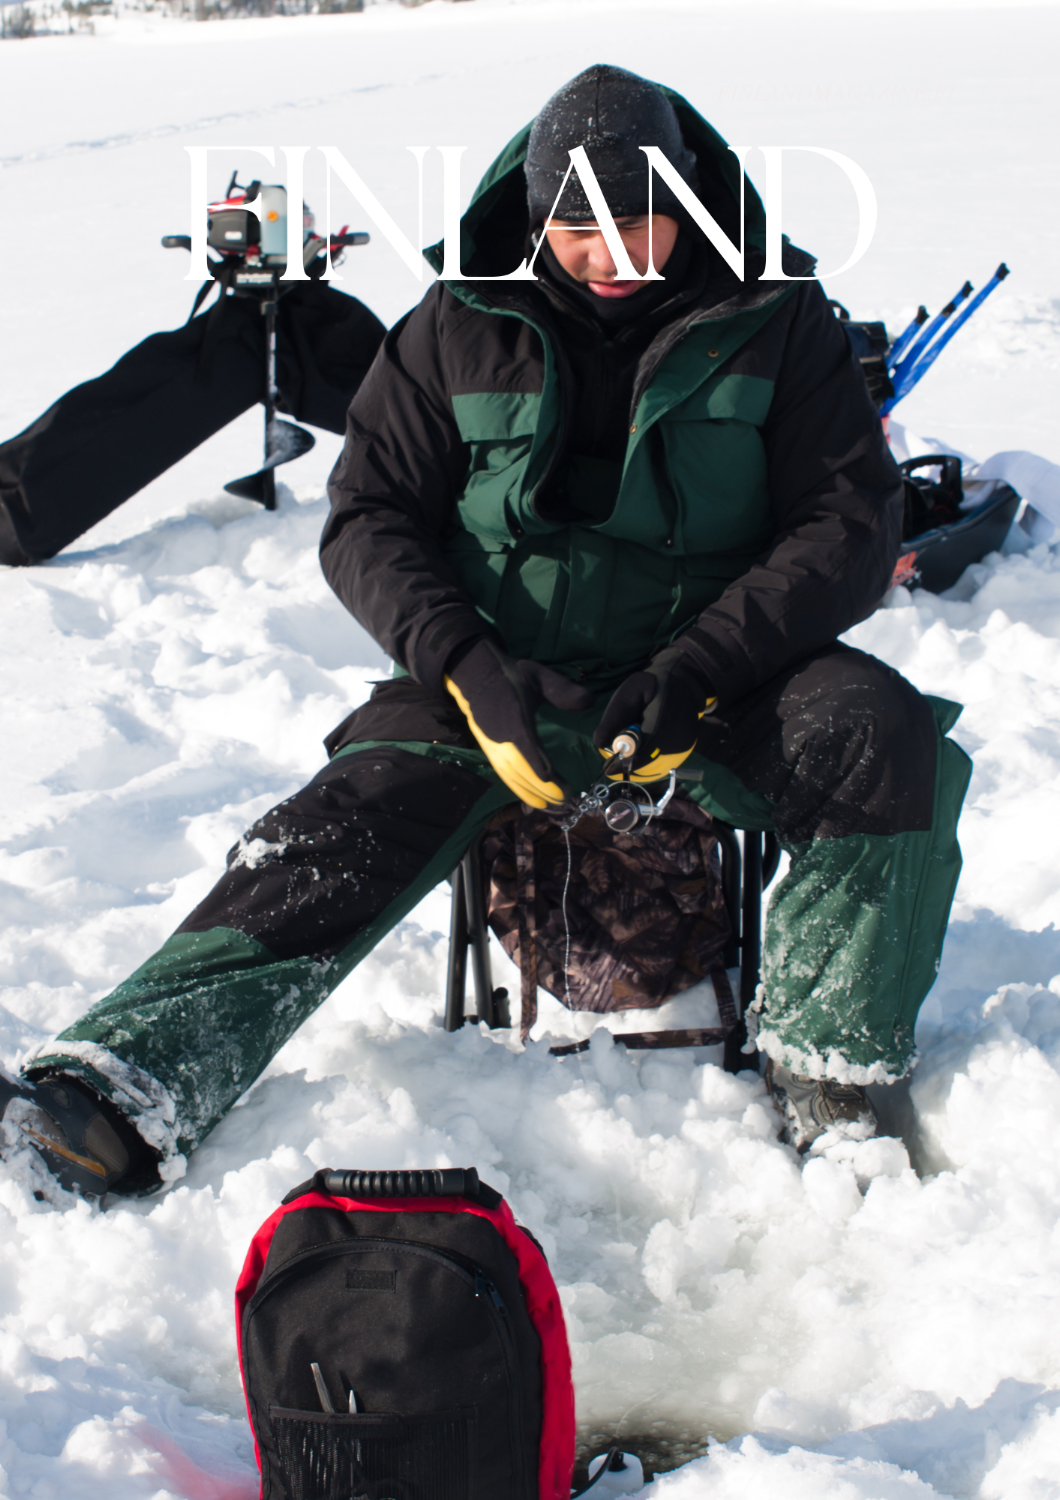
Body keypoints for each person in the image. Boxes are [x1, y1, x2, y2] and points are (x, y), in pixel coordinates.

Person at [0, 65, 971, 1198]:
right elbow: (369, 517)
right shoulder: (453, 321)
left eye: (643, 223)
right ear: (538, 215)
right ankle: (123, 1087)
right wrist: (465, 664)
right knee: (336, 827)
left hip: (723, 681)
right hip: (497, 682)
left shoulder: (776, 316)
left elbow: (848, 520)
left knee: (881, 740)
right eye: (579, 230)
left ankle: (834, 1077)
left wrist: (705, 666)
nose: (613, 258)